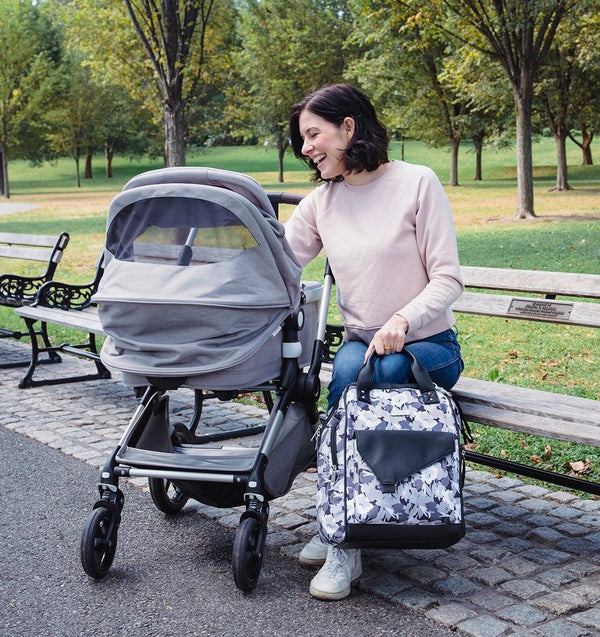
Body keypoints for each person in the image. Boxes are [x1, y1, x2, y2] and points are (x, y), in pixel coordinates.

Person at [283, 83, 465, 601]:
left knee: (373, 378)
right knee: (354, 378)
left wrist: (403, 321)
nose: (305, 148)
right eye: (302, 138)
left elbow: (449, 278)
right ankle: (346, 526)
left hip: (430, 347)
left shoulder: (417, 183)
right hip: (363, 345)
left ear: (348, 128)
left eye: (313, 134)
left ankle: (343, 537)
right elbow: (278, 263)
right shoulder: (323, 202)